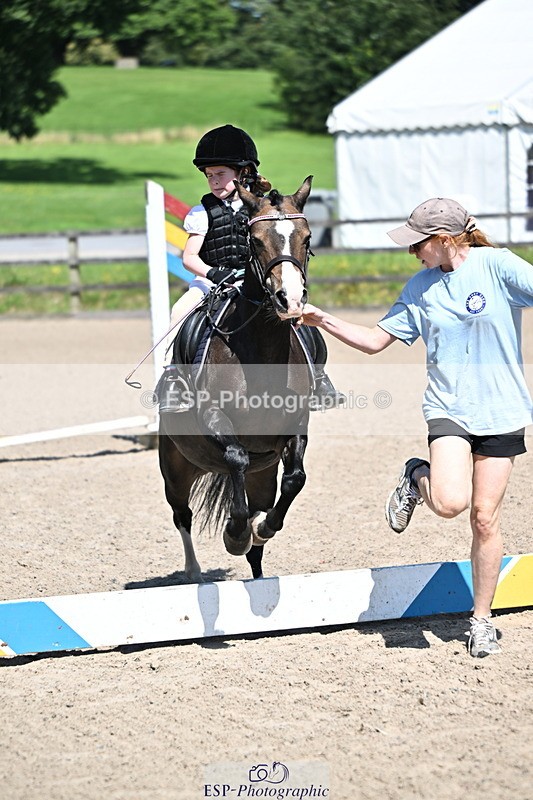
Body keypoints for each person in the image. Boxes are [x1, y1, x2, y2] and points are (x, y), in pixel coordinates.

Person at [299, 197, 533, 658]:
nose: (413, 253)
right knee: (449, 503)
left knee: (485, 518)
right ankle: (416, 475)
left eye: (418, 245)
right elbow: (373, 341)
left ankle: (481, 620)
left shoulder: (498, 266)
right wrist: (321, 317)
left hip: (503, 410)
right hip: (449, 408)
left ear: (444, 239)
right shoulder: (420, 287)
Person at [159, 124, 344, 412]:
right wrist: (213, 273)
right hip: (213, 283)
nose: (214, 181)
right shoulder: (201, 213)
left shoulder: (261, 211)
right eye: (209, 176)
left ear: (243, 173)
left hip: (256, 282)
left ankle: (318, 378)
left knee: (298, 314)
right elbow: (189, 258)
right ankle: (174, 379)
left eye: (221, 174)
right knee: (180, 311)